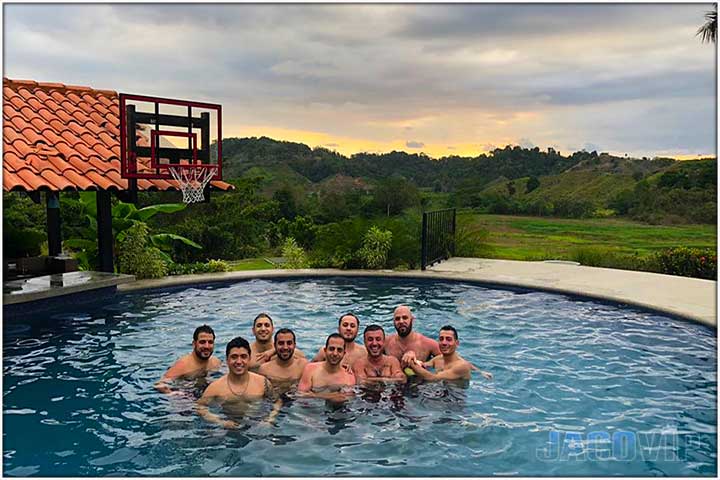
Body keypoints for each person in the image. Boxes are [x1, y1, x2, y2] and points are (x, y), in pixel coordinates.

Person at [196, 336, 275, 428]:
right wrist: (220, 422)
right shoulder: (215, 387)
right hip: (228, 426)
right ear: (227, 360)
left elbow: (276, 402)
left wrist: (269, 420)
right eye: (234, 357)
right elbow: (200, 407)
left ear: (249, 359)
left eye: (243, 357)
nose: (239, 361)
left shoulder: (263, 383)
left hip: (256, 424)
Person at [408, 325, 492, 381]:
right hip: (440, 391)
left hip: (454, 400)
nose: (444, 343)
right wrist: (411, 356)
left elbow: (433, 378)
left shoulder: (461, 366)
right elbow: (423, 365)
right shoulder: (438, 359)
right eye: (441, 339)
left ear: (457, 343)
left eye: (448, 339)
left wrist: (411, 363)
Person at [155, 325, 222, 394]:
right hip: (186, 394)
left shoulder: (216, 362)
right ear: (194, 344)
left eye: (210, 342)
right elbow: (159, 385)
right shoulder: (183, 365)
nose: (207, 346)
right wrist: (174, 395)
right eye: (202, 342)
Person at [298, 333, 356, 401]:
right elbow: (300, 395)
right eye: (331, 349)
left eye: (339, 350)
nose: (335, 353)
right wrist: (329, 396)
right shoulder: (310, 369)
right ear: (325, 351)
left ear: (344, 353)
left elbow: (348, 401)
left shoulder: (349, 377)